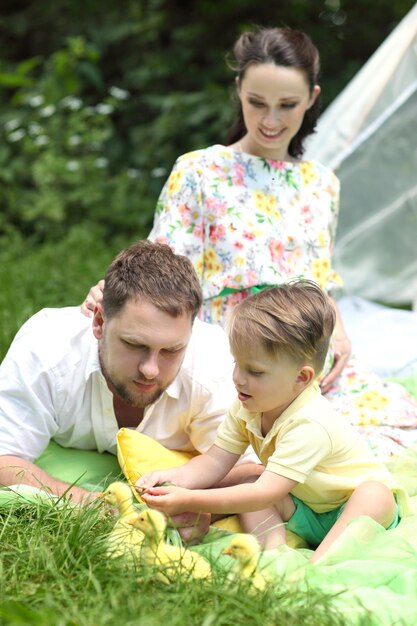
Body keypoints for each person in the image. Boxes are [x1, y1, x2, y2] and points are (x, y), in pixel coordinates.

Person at [81, 27, 417, 462]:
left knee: (391, 424)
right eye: (257, 102)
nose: (271, 120)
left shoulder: (321, 184)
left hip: (301, 351)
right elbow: (160, 267)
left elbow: (317, 279)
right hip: (232, 350)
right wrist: (108, 293)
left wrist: (339, 329)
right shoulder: (201, 171)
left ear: (312, 98)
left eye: (287, 105)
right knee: (273, 449)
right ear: (239, 89)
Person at [137, 281, 407, 563]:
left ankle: (320, 563)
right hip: (304, 508)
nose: (238, 378)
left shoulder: (310, 423)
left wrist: (190, 500)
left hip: (354, 511)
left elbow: (266, 493)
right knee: (252, 475)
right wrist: (175, 479)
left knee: (374, 494)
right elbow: (215, 461)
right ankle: (275, 554)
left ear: (301, 378)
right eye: (237, 364)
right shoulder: (248, 405)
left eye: (254, 371)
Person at [0, 240, 250, 526]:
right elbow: (4, 455)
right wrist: (89, 504)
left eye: (171, 351)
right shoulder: (46, 348)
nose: (150, 370)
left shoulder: (213, 364)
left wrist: (198, 507)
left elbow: (253, 470)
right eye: (134, 344)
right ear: (99, 322)